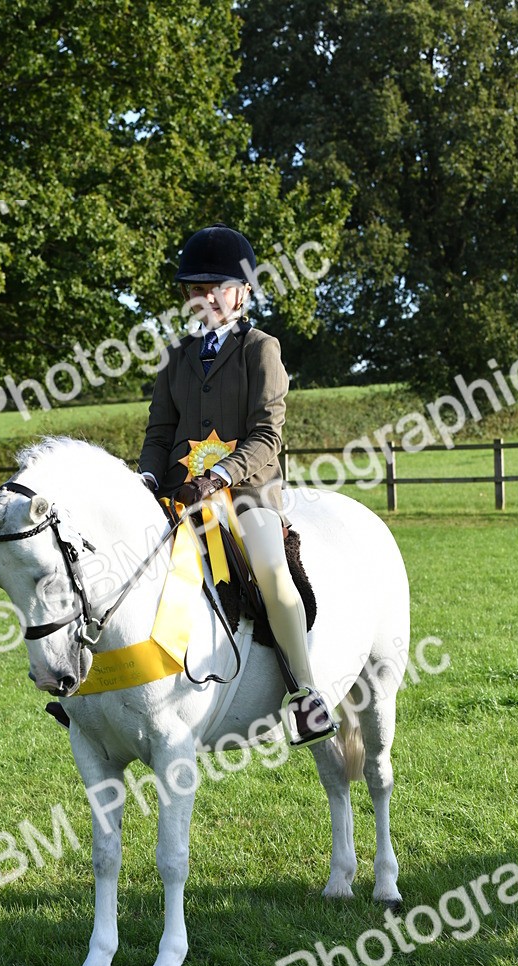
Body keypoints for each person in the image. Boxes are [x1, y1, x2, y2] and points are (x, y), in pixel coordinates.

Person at [138, 222, 337, 747]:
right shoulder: (176, 357)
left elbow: (267, 435)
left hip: (249, 493)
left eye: (214, 287)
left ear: (243, 291)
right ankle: (107, 695)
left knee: (273, 575)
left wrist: (219, 476)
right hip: (179, 495)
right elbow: (160, 433)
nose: (203, 298)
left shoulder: (260, 349)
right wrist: (146, 479)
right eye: (194, 289)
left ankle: (306, 696)